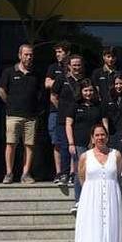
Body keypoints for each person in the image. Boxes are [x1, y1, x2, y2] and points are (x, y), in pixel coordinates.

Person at [73, 124, 122, 242]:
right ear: (92, 137)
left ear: (107, 137)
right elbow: (81, 178)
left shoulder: (116, 155)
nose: (100, 137)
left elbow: (119, 176)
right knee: (91, 234)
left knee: (109, 234)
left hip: (111, 197)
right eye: (97, 135)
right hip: (91, 199)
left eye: (103, 135)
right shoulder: (85, 156)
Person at [0, 43, 39, 184]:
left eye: (31, 55)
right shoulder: (9, 72)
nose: (29, 57)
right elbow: (1, 90)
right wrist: (10, 103)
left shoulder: (36, 73)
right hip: (13, 115)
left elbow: (39, 93)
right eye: (26, 54)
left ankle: (25, 174)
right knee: (11, 144)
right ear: (20, 55)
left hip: (31, 116)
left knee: (29, 145)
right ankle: (9, 173)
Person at [65, 80, 108, 210]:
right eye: (85, 90)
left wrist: (106, 139)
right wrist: (71, 143)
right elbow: (68, 125)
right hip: (79, 143)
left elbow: (104, 124)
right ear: (81, 91)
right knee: (80, 172)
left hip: (96, 144)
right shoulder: (74, 105)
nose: (88, 93)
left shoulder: (99, 106)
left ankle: (96, 200)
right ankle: (79, 200)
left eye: (90, 90)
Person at [50, 54, 86, 187]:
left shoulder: (83, 80)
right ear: (69, 66)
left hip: (79, 119)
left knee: (76, 147)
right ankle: (64, 173)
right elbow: (53, 96)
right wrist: (62, 109)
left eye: (79, 64)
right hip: (63, 118)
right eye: (74, 65)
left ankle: (73, 173)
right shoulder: (61, 78)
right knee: (64, 146)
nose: (77, 67)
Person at [44, 41, 70, 185]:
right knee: (57, 142)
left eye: (60, 52)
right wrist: (61, 81)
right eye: (57, 52)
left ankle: (71, 173)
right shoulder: (53, 67)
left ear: (68, 53)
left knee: (71, 142)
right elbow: (47, 84)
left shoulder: (73, 67)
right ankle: (59, 172)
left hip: (71, 113)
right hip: (56, 111)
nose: (58, 55)